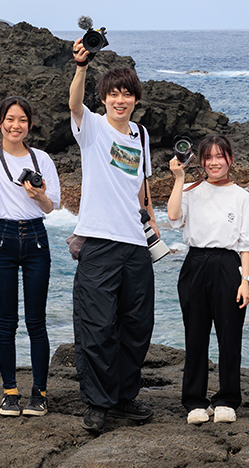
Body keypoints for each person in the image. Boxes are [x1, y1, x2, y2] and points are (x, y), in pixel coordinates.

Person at [69, 40, 159, 435]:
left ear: (135, 100)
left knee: (136, 324)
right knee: (96, 325)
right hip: (99, 242)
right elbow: (74, 104)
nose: (120, 100)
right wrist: (81, 67)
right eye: (113, 94)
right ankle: (98, 403)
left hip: (135, 244)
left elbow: (140, 189)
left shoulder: (140, 135)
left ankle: (124, 396)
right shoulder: (91, 127)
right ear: (104, 99)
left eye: (126, 94)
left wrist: (152, 224)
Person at [0, 96, 61, 417]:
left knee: (36, 322)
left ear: (29, 125)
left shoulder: (42, 159)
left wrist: (39, 195)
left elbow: (53, 206)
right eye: (10, 119)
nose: (15, 125)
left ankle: (40, 392)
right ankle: (9, 392)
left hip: (36, 238)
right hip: (3, 239)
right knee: (6, 322)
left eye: (22, 120)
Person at [167, 135, 249, 425]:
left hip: (228, 265)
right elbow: (173, 216)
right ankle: (195, 401)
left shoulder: (242, 197)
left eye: (219, 157)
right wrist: (178, 179)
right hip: (195, 263)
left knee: (229, 336)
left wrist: (245, 280)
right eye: (208, 158)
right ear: (202, 162)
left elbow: (247, 243)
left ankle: (227, 399)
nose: (214, 163)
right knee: (195, 336)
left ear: (230, 160)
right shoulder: (191, 190)